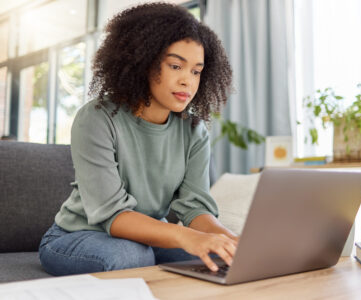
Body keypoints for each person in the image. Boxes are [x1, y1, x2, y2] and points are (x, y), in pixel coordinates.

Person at [39, 2, 235, 276]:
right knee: (131, 254)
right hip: (75, 237)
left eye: (196, 71)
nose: (187, 82)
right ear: (142, 61)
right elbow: (113, 215)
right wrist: (185, 237)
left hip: (146, 238)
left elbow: (195, 208)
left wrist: (227, 240)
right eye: (176, 66)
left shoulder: (193, 130)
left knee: (220, 254)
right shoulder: (96, 119)